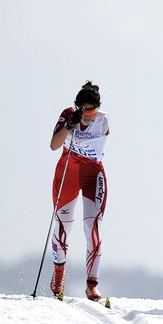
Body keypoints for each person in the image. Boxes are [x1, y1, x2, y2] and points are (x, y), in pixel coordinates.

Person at [49, 81, 110, 301]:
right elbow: (54, 146)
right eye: (84, 111)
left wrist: (78, 132)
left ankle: (92, 285)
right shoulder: (68, 115)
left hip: (92, 173)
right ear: (77, 108)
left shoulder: (103, 120)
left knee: (92, 227)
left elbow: (93, 143)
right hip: (69, 171)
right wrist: (68, 126)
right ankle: (58, 277)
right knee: (64, 225)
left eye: (92, 110)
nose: (88, 116)